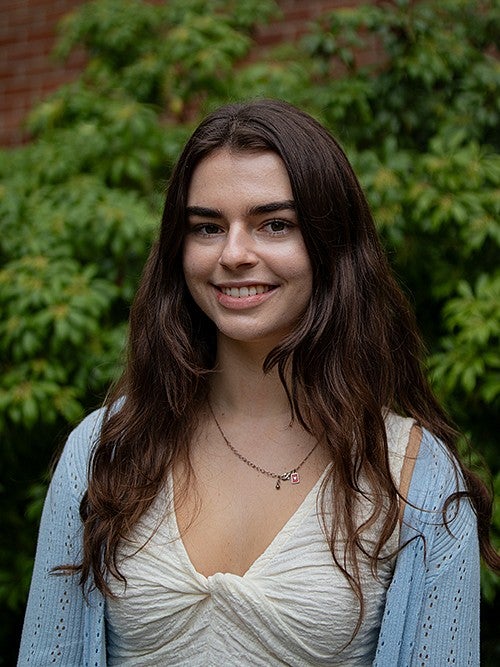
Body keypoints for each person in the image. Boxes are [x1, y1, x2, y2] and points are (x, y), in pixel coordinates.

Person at [18, 99, 499, 666]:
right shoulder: (105, 450)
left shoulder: (416, 477)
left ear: (332, 244)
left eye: (274, 224)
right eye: (207, 227)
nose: (234, 253)